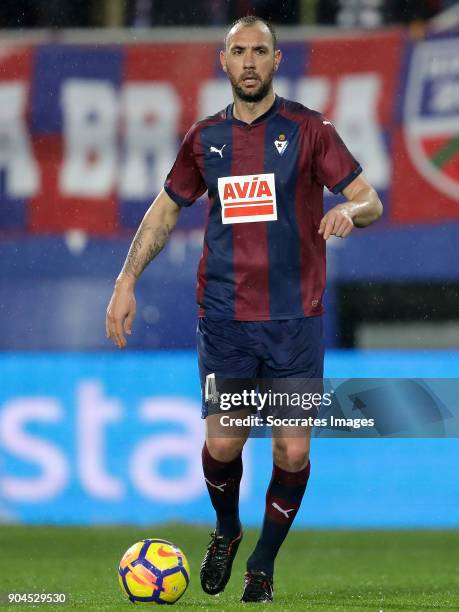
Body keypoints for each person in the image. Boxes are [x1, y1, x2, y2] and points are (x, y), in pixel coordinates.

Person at [106, 15, 383, 603]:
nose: (251, 60)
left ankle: (262, 562)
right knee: (226, 445)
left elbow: (369, 199)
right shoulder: (205, 139)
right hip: (226, 316)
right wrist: (127, 279)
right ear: (224, 61)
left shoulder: (310, 130)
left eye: (261, 50)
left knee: (293, 448)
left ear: (277, 61)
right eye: (240, 51)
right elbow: (164, 211)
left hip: (295, 318)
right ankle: (228, 529)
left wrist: (347, 214)